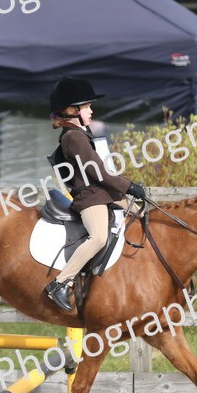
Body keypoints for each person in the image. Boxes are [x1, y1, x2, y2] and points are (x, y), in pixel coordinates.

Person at [44, 77, 146, 312]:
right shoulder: (74, 137)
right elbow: (100, 173)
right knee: (99, 237)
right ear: (72, 110)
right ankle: (60, 283)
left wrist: (127, 191)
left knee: (142, 216)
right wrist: (129, 186)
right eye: (87, 106)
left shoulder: (81, 134)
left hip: (103, 193)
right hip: (90, 198)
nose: (91, 111)